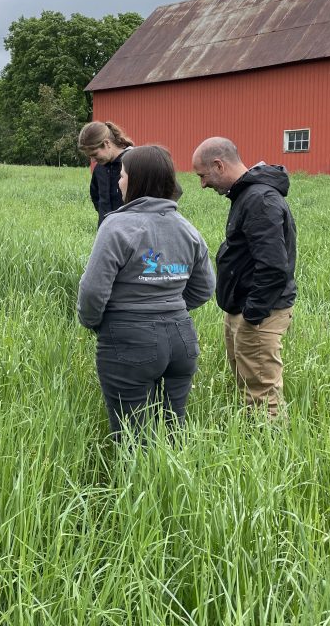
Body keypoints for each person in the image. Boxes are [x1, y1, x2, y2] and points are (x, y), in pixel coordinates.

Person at [77, 145, 215, 440]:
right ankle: (175, 471)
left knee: (132, 438)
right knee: (173, 431)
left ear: (137, 180)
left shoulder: (117, 225)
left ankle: (137, 472)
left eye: (123, 175)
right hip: (182, 339)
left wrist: (95, 322)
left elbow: (92, 291)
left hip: (128, 338)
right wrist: (169, 305)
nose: (119, 181)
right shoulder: (187, 228)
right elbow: (205, 287)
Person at [191, 137, 297, 419]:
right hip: (244, 307)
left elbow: (273, 266)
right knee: (249, 386)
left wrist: (253, 315)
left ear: (219, 165)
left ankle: (271, 445)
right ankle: (252, 439)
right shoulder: (247, 195)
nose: (202, 184)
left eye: (203, 175)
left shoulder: (259, 200)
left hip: (260, 312)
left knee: (262, 396)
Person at [78, 121, 134, 226]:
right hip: (106, 230)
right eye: (90, 156)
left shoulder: (135, 163)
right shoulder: (99, 169)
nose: (93, 160)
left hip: (132, 230)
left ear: (107, 143)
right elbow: (96, 197)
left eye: (94, 154)